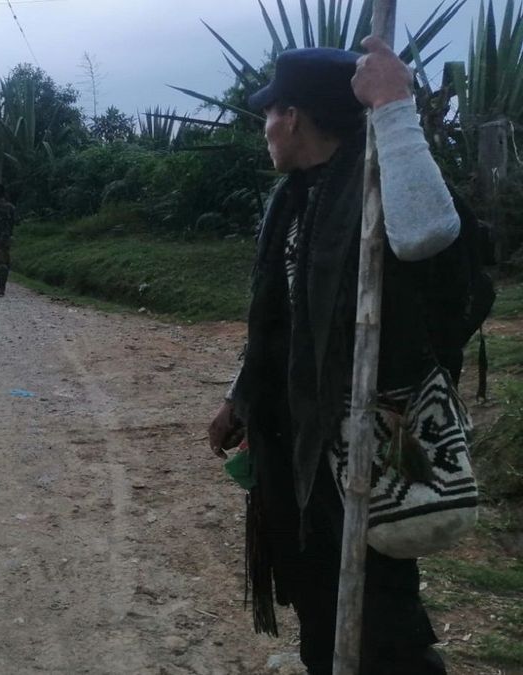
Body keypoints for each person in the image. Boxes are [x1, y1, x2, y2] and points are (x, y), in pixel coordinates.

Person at [206, 40, 468, 674]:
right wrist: (240, 397)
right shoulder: (290, 200)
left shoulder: (373, 181)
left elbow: (430, 231)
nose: (265, 127)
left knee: (382, 613)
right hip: (296, 435)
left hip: (366, 438)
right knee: (317, 593)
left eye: (270, 113)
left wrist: (394, 103)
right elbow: (281, 321)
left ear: (292, 116)